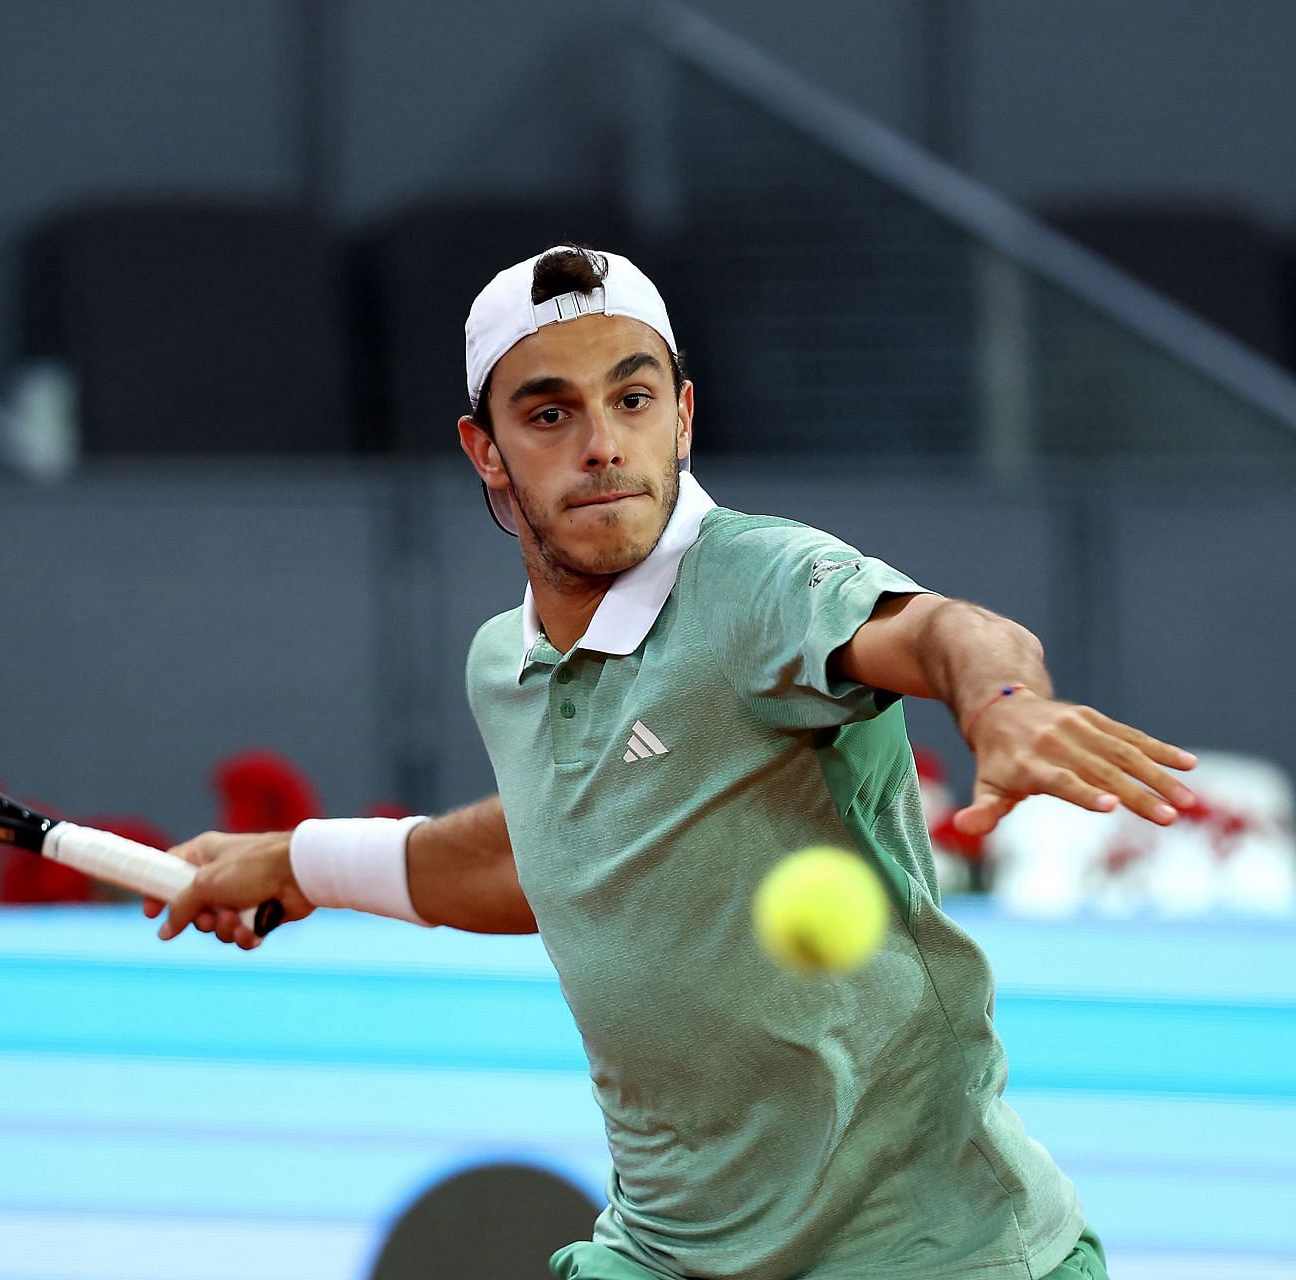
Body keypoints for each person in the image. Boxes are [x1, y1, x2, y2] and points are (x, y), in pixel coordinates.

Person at [148, 245, 1194, 1280]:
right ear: (486, 449)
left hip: (937, 1251)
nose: (602, 445)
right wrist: (299, 859)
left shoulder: (759, 582)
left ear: (683, 415)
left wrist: (1001, 701)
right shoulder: (500, 666)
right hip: (669, 1249)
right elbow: (559, 853)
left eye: (633, 399)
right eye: (550, 413)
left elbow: (939, 630)